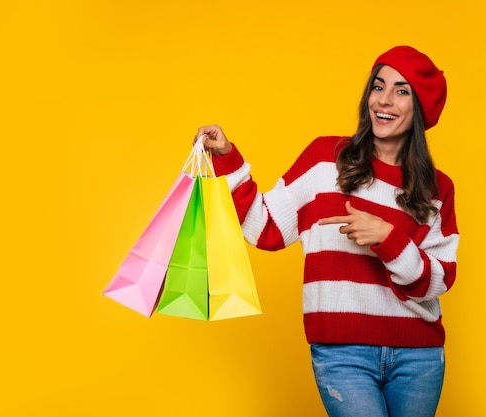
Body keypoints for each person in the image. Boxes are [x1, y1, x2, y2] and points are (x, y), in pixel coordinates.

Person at [194, 45, 459, 417]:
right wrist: (227, 159)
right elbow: (266, 228)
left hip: (419, 357)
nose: (384, 100)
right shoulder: (325, 159)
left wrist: (388, 238)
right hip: (341, 353)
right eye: (378, 86)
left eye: (401, 91)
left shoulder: (438, 188)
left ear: (420, 108)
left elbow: (441, 279)